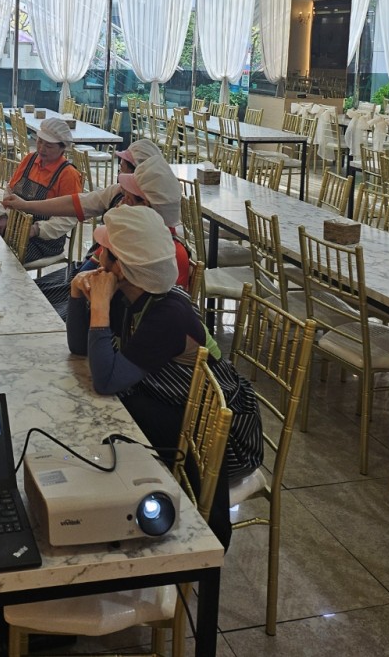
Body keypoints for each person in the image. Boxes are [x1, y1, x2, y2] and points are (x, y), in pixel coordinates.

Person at [66, 205, 263, 549]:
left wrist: (98, 308)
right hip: (179, 409)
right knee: (114, 419)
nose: (96, 257)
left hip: (222, 439)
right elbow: (79, 348)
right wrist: (75, 291)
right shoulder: (131, 295)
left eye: (103, 252)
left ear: (122, 268)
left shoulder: (167, 313)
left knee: (116, 418)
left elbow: (106, 381)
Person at [2, 138, 188, 315]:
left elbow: (143, 309)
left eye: (129, 195)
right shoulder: (119, 195)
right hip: (91, 273)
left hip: (103, 293)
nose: (123, 198)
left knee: (36, 308)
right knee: (27, 295)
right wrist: (25, 205)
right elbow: (77, 203)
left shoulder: (163, 254)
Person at [0, 117, 82, 263]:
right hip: (14, 225)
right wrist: (4, 216)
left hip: (44, 241)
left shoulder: (68, 175)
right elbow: (10, 191)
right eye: (40, 141)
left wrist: (35, 230)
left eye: (49, 146)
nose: (41, 148)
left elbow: (69, 218)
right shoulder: (29, 159)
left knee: (5, 259)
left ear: (62, 148)